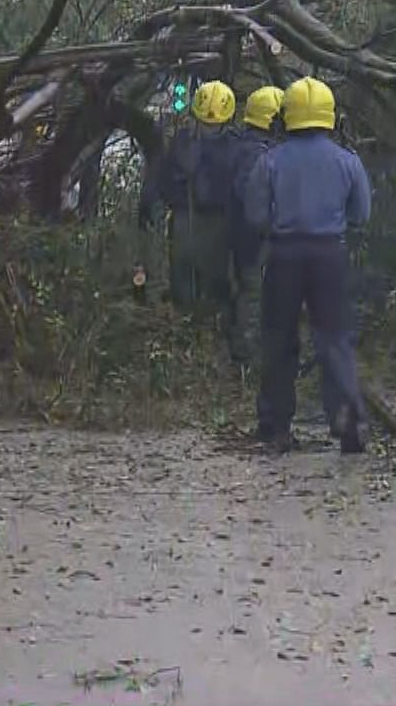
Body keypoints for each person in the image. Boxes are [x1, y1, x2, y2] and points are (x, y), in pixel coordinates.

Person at [242, 77, 372, 454]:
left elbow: (254, 215)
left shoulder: (270, 161)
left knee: (279, 339)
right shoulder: (348, 162)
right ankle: (348, 416)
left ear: (289, 116)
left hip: (284, 256)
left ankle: (275, 425)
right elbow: (361, 214)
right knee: (334, 338)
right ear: (329, 115)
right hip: (330, 255)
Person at [140, 81, 247, 360]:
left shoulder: (180, 141)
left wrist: (150, 209)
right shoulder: (237, 146)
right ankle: (215, 345)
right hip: (217, 223)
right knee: (217, 287)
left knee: (185, 286)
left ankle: (189, 343)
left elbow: (158, 180)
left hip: (185, 220)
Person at [231, 85, 285, 377]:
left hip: (242, 232)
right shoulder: (259, 153)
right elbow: (251, 195)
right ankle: (248, 359)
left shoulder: (241, 144)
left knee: (249, 291)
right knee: (253, 294)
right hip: (256, 236)